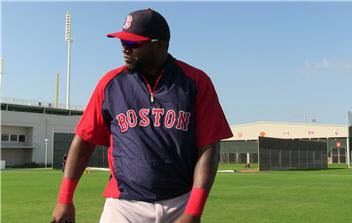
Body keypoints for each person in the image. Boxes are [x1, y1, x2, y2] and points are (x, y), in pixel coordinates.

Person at [51, 8, 232, 223]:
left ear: (159, 45)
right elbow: (84, 141)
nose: (125, 49)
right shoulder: (111, 84)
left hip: (180, 203)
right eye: (122, 42)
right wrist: (65, 199)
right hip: (123, 207)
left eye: (133, 43)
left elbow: (209, 147)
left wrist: (193, 211)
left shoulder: (195, 82)